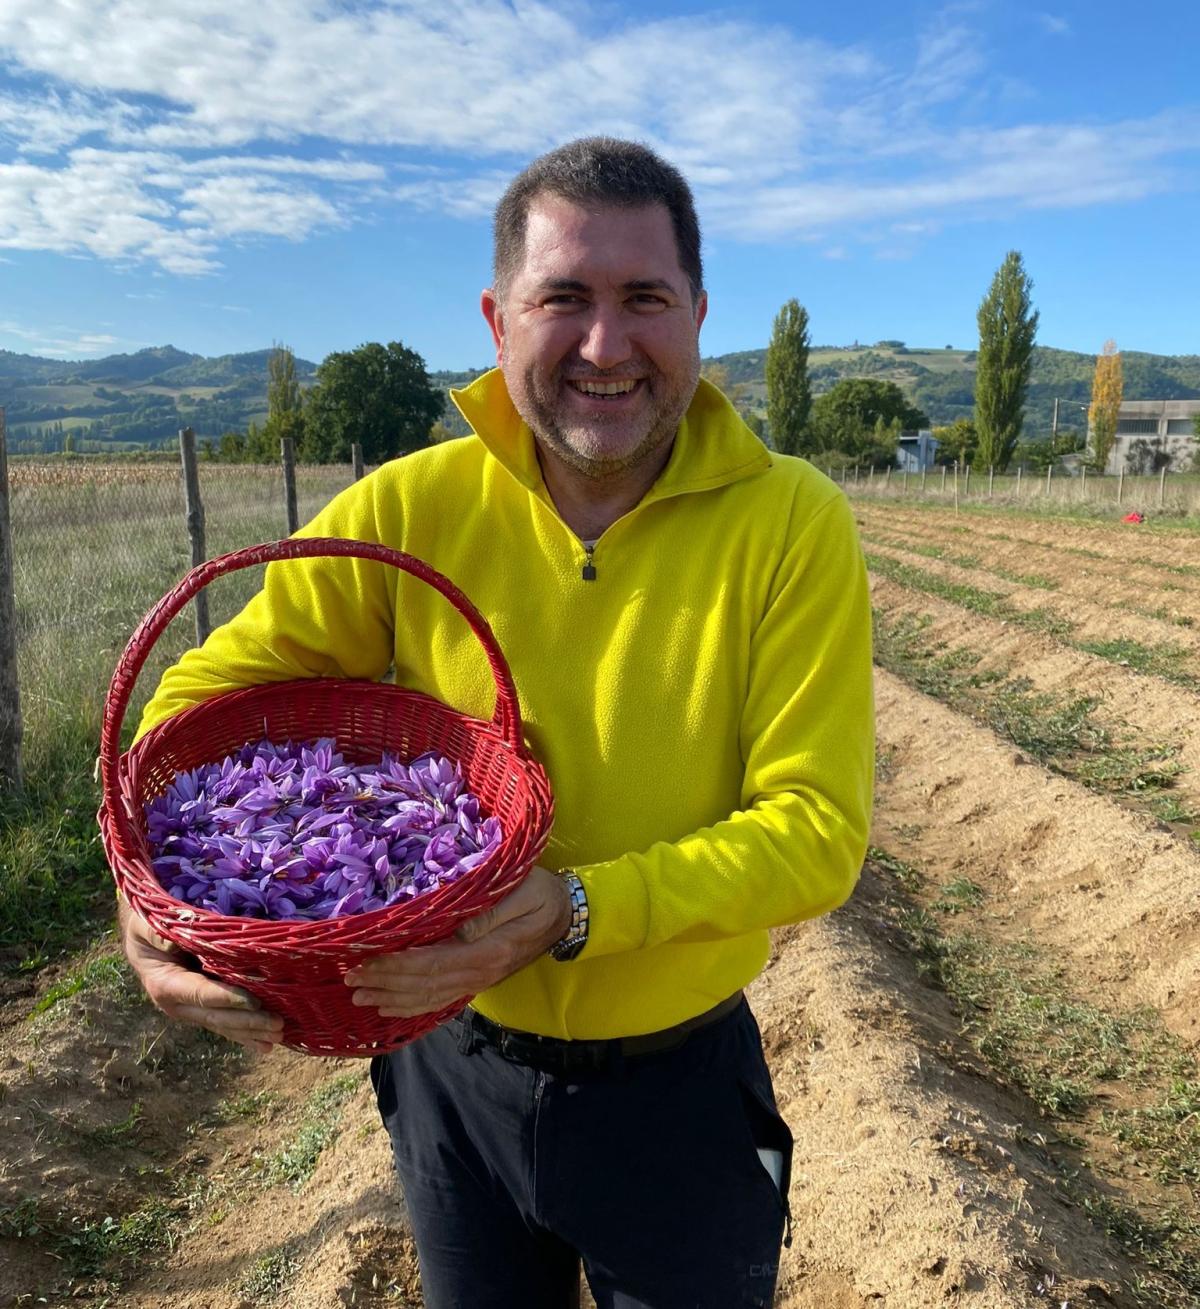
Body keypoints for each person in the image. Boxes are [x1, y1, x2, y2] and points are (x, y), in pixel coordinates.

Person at [119, 137, 874, 1308]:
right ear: (496, 316)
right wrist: (158, 902)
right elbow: (184, 713)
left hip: (677, 1092)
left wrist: (576, 910)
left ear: (700, 314)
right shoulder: (406, 510)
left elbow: (818, 829)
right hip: (447, 1072)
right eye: (563, 298)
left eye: (645, 300)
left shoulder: (789, 523)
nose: (604, 345)